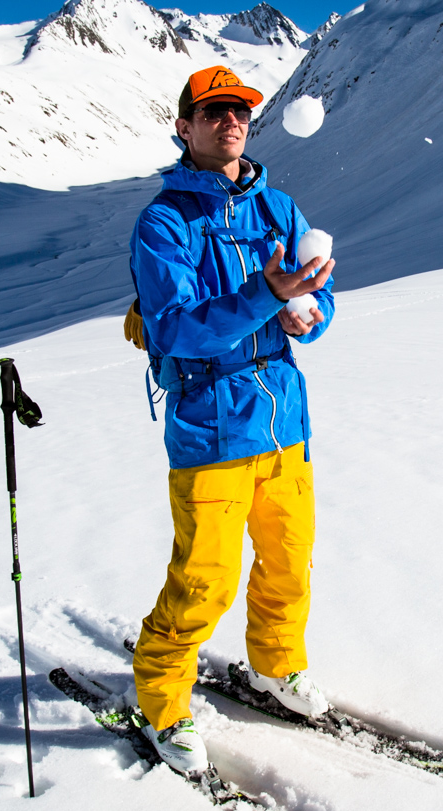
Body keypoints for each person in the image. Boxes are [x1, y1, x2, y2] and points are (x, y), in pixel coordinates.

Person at [124, 65, 336, 774]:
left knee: (288, 566)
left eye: (241, 109)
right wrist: (264, 296)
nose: (231, 121)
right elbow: (176, 330)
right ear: (184, 127)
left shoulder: (280, 207)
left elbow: (319, 291)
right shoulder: (164, 223)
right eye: (213, 112)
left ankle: (274, 670)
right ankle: (160, 703)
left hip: (284, 426)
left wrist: (310, 313)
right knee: (203, 581)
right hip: (211, 428)